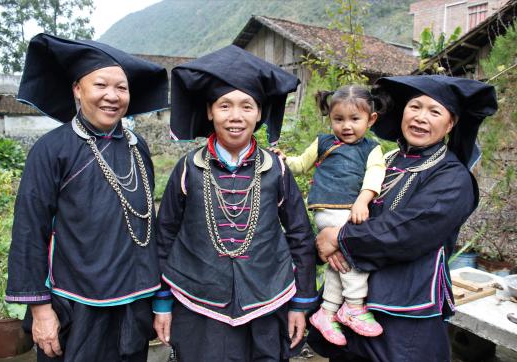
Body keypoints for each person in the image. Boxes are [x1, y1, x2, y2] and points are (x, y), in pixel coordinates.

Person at [311, 75, 497, 362]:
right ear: (402, 114)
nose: (421, 118)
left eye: (434, 111)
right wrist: (328, 237)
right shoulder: (386, 161)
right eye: (415, 107)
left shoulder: (452, 177)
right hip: (356, 301)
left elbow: (409, 230)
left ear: (450, 124)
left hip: (406, 309)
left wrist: (339, 238)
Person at [5, 33, 168, 361]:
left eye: (121, 88)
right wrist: (40, 311)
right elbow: (29, 232)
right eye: (100, 85)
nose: (112, 96)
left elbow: (148, 227)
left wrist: (160, 302)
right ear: (77, 90)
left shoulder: (139, 148)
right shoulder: (52, 150)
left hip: (133, 304)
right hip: (76, 304)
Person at [153, 45, 318, 361]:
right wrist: (162, 302)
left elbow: (300, 236)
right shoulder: (188, 168)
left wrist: (300, 304)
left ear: (259, 113)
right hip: (197, 299)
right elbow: (165, 237)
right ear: (209, 111)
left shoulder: (276, 169)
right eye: (224, 105)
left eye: (246, 106)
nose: (235, 116)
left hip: (268, 299)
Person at [275, 86, 386, 345]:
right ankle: (355, 306)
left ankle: (327, 312)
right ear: (330, 118)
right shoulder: (323, 142)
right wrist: (284, 159)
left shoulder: (371, 148)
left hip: (354, 209)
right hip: (330, 212)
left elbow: (375, 174)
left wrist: (363, 200)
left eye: (355, 119)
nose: (346, 126)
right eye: (339, 119)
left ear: (371, 120)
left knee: (338, 264)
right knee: (355, 254)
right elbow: (301, 165)